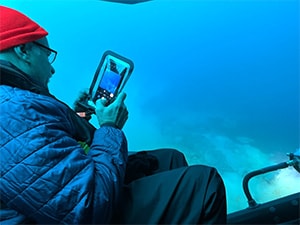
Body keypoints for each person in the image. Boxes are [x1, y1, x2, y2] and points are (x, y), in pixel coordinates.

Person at [0, 5, 227, 224]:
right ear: (23, 50)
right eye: (48, 55)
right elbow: (86, 208)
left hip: (55, 209)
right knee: (203, 183)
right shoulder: (13, 109)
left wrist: (76, 119)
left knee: (168, 159)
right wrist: (110, 128)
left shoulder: (13, 101)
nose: (52, 69)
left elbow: (40, 148)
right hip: (80, 213)